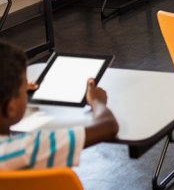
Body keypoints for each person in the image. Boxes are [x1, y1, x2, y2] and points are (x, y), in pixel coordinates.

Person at [0, 41, 118, 171]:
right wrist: (96, 101)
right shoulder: (27, 150)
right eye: (24, 84)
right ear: (11, 108)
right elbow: (109, 126)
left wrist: (18, 92)